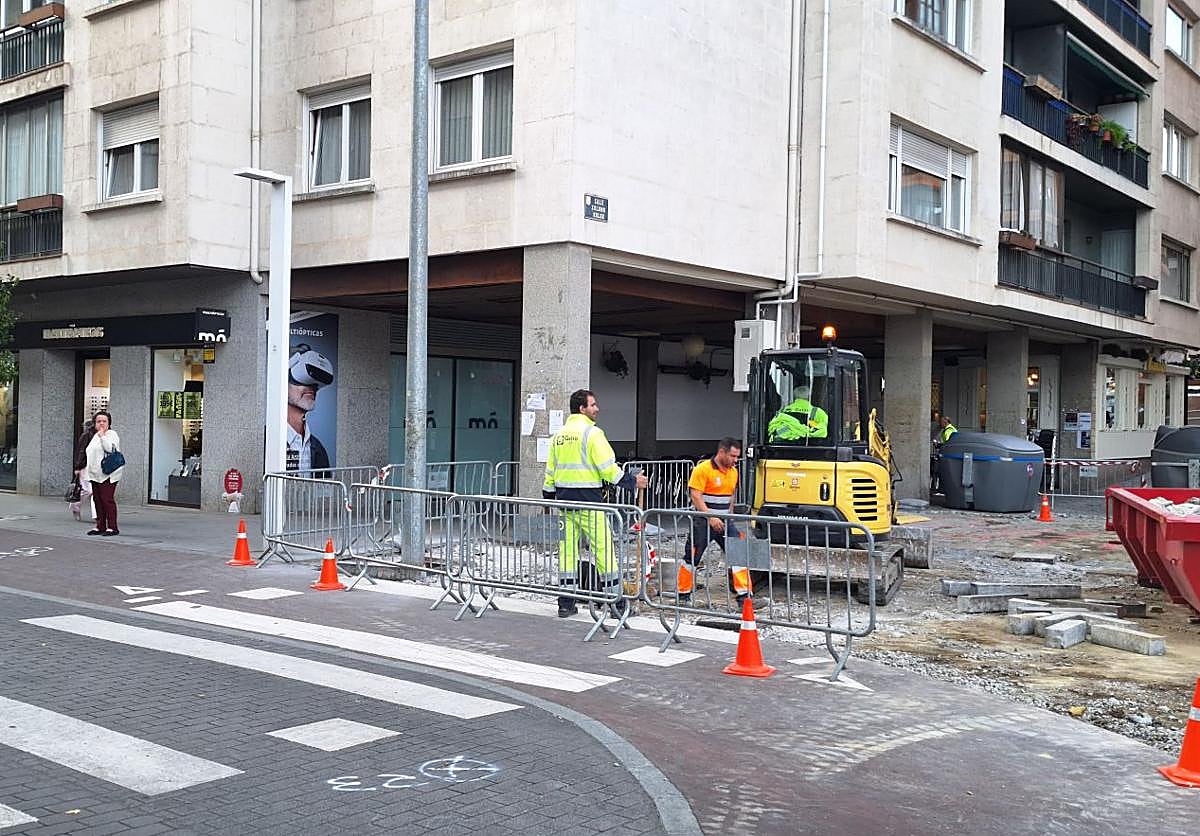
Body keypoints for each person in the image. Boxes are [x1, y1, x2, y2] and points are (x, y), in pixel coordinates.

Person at [543, 389, 648, 618]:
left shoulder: (558, 436)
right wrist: (633, 481)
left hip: (565, 504)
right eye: (593, 405)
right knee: (604, 553)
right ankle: (616, 605)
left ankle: (566, 604)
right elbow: (608, 469)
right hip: (591, 504)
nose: (597, 409)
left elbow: (550, 472)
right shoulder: (593, 434)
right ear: (582, 409)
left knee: (567, 554)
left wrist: (549, 498)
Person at [678, 438, 752, 605]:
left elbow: (731, 495)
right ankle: (683, 594)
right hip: (703, 522)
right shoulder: (702, 469)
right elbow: (696, 496)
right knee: (692, 556)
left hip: (725, 521)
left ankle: (745, 597)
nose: (735, 460)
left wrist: (730, 516)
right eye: (732, 456)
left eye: (737, 456)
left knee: (738, 555)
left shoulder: (733, 472)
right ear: (722, 452)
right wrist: (710, 517)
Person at [287, 343, 334, 471]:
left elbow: (323, 489)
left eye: (315, 385)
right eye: (302, 381)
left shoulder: (318, 449)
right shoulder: (266, 442)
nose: (312, 388)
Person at [84, 411, 123, 536]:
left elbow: (109, 448)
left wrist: (102, 436)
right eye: (98, 421)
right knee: (97, 500)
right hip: (95, 474)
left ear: (109, 423)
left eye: (104, 421)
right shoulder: (95, 436)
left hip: (108, 474)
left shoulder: (112, 434)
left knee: (107, 500)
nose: (101, 423)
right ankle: (100, 526)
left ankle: (112, 527)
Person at [70, 418, 96, 522]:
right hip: (85, 466)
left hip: (98, 468)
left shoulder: (105, 435)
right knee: (87, 490)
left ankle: (97, 515)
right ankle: (74, 505)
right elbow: (80, 451)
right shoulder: (87, 435)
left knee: (95, 492)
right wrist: (78, 467)